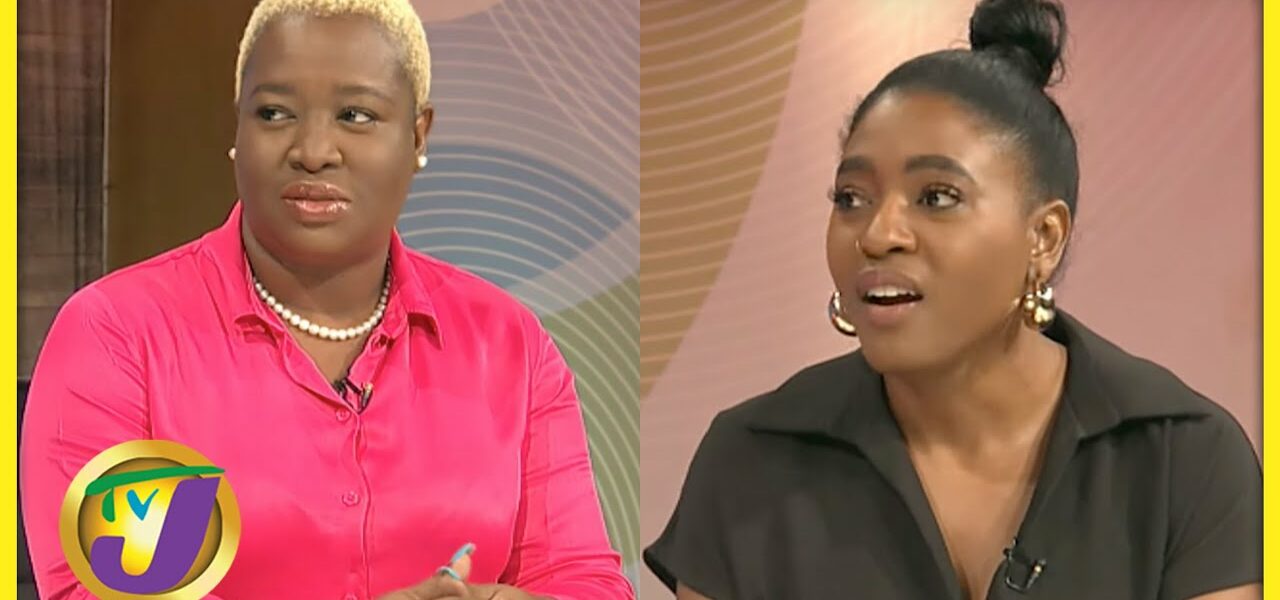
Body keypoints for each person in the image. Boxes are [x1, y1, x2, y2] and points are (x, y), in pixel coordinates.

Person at [643, 0, 1261, 599]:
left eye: (936, 197)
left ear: (1044, 238)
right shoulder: (750, 459)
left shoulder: (1184, 457)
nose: (878, 234)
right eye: (851, 198)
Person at [20, 1, 634, 598]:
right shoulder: (118, 334)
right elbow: (102, 589)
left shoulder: (507, 344)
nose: (313, 151)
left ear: (418, 134)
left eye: (355, 115)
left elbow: (583, 579)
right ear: (237, 128)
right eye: (274, 113)